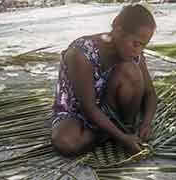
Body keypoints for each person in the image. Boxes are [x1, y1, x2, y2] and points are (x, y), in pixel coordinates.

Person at [51, 4, 157, 157]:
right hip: (79, 112)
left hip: (113, 111)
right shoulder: (81, 54)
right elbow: (89, 108)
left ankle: (121, 129)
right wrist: (122, 139)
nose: (138, 50)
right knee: (66, 143)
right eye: (136, 43)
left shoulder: (134, 54)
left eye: (143, 45)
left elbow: (150, 93)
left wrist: (146, 123)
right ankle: (114, 134)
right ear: (118, 30)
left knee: (131, 71)